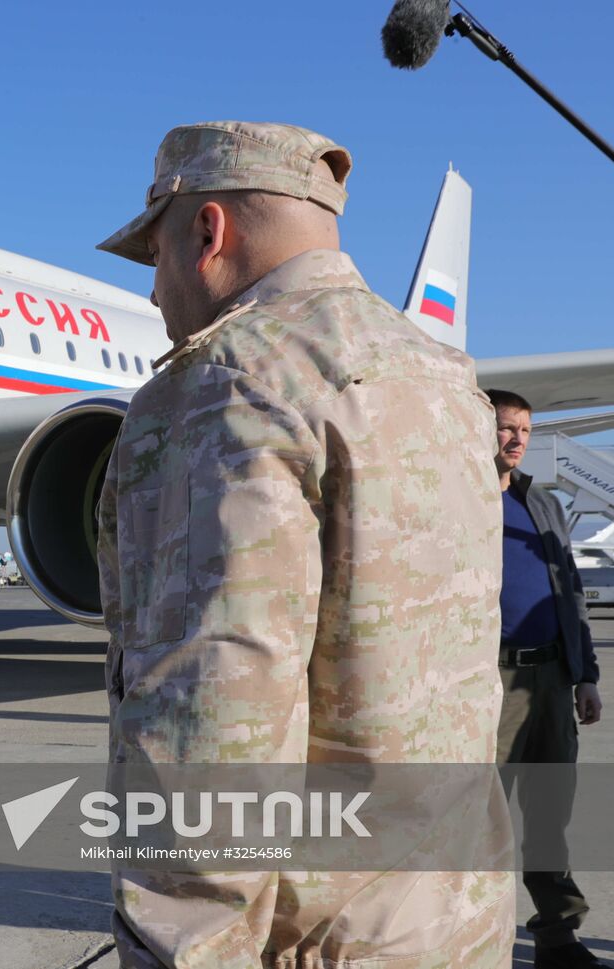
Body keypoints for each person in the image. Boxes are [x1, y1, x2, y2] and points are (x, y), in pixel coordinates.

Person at [94, 121, 514, 967]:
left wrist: (185, 949)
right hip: (456, 919)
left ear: (208, 232)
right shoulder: (445, 377)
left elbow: (212, 736)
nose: (152, 293)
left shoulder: (227, 383)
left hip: (314, 939)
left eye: (157, 255)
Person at [487, 387, 604, 969]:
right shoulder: (459, 501)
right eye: (506, 428)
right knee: (481, 820)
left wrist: (585, 674)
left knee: (550, 815)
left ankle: (557, 939)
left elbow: (571, 595)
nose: (516, 440)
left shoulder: (545, 504)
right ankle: (471, 942)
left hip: (553, 681)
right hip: (492, 686)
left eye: (525, 432)